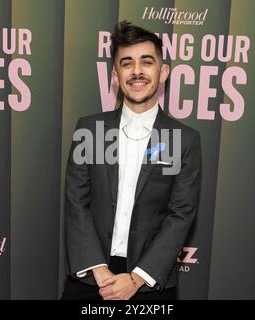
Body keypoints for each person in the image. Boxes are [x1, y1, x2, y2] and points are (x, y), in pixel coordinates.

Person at [61, 21, 201, 300]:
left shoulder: (184, 139)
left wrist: (137, 278)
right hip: (92, 276)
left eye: (146, 62)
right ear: (115, 75)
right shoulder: (90, 130)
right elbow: (76, 200)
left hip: (150, 281)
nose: (137, 71)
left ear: (163, 72)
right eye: (127, 63)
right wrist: (99, 270)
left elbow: (181, 214)